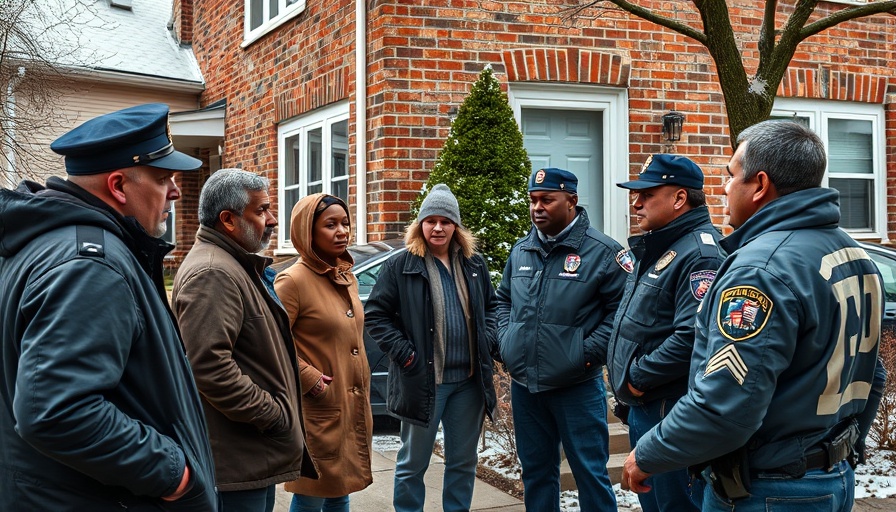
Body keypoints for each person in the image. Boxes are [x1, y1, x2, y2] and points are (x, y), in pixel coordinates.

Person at [621, 120, 888, 512]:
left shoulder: (761, 269)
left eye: (731, 176)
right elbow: (873, 374)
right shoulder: (854, 254)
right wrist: (845, 448)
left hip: (769, 489)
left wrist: (647, 454)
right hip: (833, 477)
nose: (724, 188)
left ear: (760, 185)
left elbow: (727, 405)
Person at [0, 103, 217, 510]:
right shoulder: (90, 264)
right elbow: (55, 410)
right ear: (118, 186)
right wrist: (175, 474)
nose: (175, 190)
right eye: (163, 177)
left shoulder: (47, 242)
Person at [172, 168, 316, 512]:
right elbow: (208, 366)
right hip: (236, 459)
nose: (273, 219)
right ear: (229, 219)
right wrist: (273, 415)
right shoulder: (213, 272)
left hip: (251, 455)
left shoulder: (233, 265)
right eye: (261, 210)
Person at [495, 168, 628, 511]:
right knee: (536, 474)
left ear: (571, 201)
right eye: (533, 200)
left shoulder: (604, 252)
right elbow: (503, 301)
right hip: (526, 386)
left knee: (590, 473)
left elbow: (621, 315)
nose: (537, 207)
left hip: (577, 387)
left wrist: (583, 354)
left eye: (547, 200)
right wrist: (507, 341)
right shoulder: (522, 250)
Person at [365, 184, 498, 512]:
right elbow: (376, 316)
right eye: (430, 220)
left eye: (445, 221)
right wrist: (407, 354)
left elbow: (493, 308)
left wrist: (489, 340)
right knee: (413, 464)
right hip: (423, 382)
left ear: (456, 226)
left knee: (463, 462)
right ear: (420, 224)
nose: (437, 227)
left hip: (468, 384)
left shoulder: (474, 264)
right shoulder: (401, 266)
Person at [607, 154, 725, 512]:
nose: (636, 202)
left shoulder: (700, 254)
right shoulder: (661, 245)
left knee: (675, 504)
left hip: (669, 409)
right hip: (647, 407)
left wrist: (637, 378)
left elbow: (691, 337)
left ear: (679, 199)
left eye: (647, 193)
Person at [273, 194, 373, 512]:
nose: (342, 231)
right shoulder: (293, 281)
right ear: (308, 232)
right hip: (319, 406)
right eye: (330, 225)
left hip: (349, 403)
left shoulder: (346, 277)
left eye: (345, 223)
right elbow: (273, 343)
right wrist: (310, 379)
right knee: (312, 492)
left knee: (339, 488)